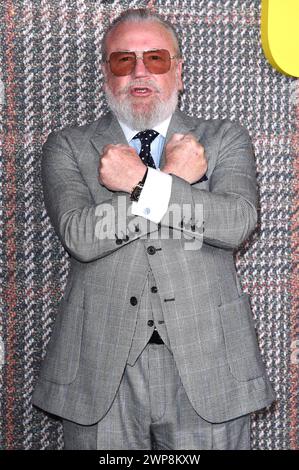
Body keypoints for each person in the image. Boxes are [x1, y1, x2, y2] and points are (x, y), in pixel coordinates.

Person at [32, 8, 275, 450]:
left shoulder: (224, 139)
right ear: (107, 73)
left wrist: (140, 184)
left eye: (156, 59)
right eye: (124, 60)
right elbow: (81, 235)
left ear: (178, 71)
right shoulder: (68, 145)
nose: (140, 71)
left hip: (209, 367)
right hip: (100, 371)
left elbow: (235, 222)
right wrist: (170, 184)